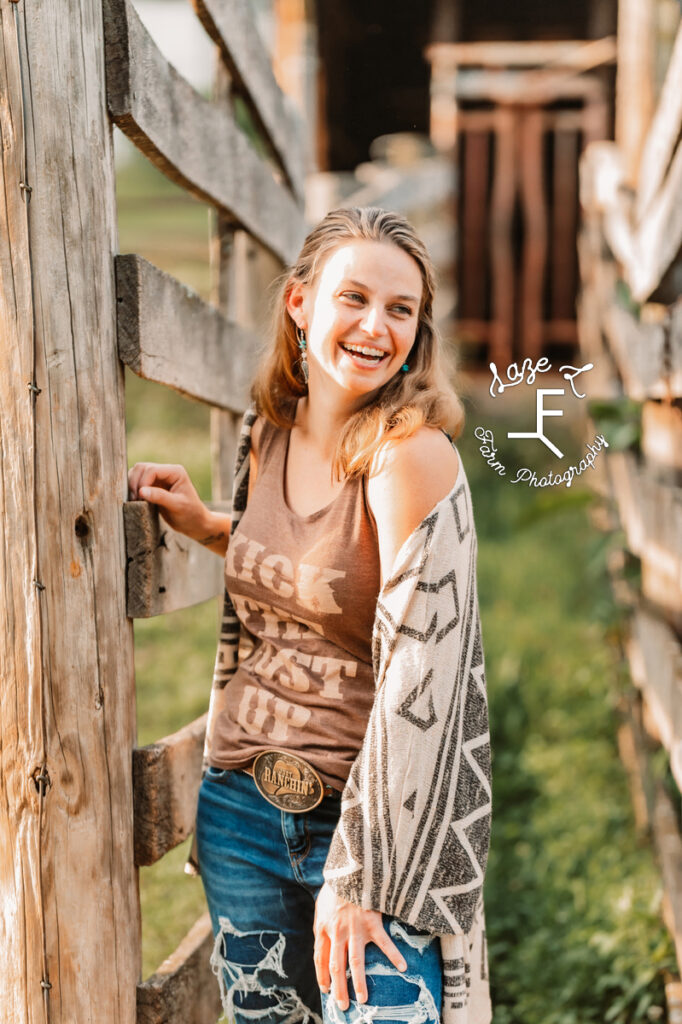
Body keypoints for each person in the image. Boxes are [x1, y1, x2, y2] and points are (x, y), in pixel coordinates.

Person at [127, 207, 492, 1024]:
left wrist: (360, 873)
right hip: (241, 812)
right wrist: (211, 524)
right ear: (300, 303)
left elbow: (420, 676)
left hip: (368, 824)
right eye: (354, 297)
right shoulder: (268, 432)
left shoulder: (410, 456)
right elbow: (317, 570)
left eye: (401, 309)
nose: (376, 326)